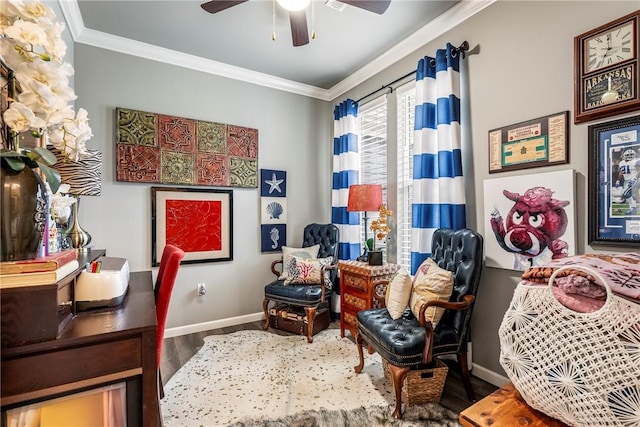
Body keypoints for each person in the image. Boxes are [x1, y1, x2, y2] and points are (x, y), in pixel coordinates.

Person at [616, 148, 640, 215]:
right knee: (626, 195)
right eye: (628, 155)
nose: (630, 156)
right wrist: (618, 180)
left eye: (631, 155)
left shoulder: (636, 161)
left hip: (634, 179)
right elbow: (621, 172)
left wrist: (634, 178)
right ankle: (633, 209)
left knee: (625, 194)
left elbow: (639, 170)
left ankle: (634, 208)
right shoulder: (621, 163)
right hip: (626, 180)